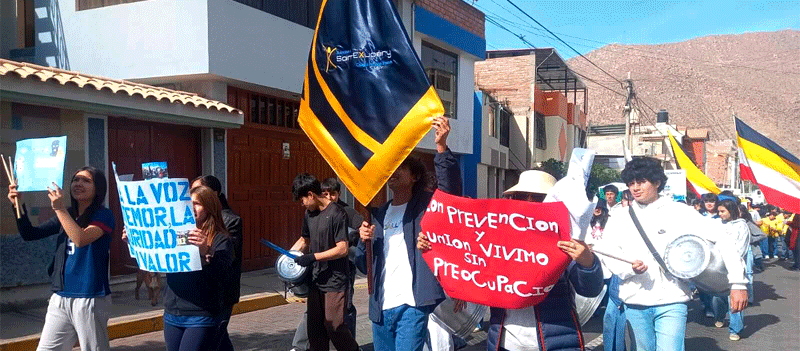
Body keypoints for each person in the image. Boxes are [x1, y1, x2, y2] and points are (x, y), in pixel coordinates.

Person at [595, 157, 748, 351]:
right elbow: (608, 251)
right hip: (634, 300)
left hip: (672, 299)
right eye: (631, 183)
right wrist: (628, 269)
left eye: (642, 182)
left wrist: (738, 283)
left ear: (657, 182)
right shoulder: (620, 217)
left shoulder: (679, 211)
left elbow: (723, 238)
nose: (636, 188)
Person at [446, 169, 604, 351]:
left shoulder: (567, 241)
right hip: (504, 343)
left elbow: (591, 290)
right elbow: (471, 267)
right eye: (522, 197)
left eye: (538, 197)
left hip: (554, 342)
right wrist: (433, 247)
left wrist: (587, 262)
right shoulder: (496, 240)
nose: (529, 203)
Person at [355, 116, 461, 351]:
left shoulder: (426, 208)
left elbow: (450, 194)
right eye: (391, 168)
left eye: (401, 167)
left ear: (414, 176)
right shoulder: (378, 215)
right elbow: (364, 266)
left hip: (412, 305)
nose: (394, 172)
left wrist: (442, 148)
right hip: (380, 309)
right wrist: (364, 242)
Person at [7, 167, 115, 351]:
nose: (78, 184)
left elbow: (80, 239)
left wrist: (59, 209)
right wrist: (18, 205)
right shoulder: (67, 213)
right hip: (61, 295)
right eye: (75, 179)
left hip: (89, 296)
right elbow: (30, 234)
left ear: (98, 188)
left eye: (86, 181)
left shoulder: (104, 215)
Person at [157, 186, 234, 351]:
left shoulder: (221, 239)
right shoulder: (173, 235)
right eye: (188, 203)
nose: (191, 207)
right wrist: (136, 242)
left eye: (197, 203)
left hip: (201, 314)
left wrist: (205, 252)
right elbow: (156, 258)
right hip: (173, 312)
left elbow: (222, 275)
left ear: (209, 208)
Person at [290, 178, 362, 351]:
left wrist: (313, 257)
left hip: (335, 280)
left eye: (303, 201)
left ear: (311, 194)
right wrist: (287, 260)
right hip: (316, 279)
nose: (302, 205)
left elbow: (343, 249)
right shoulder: (309, 214)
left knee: (334, 327)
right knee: (315, 330)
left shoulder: (337, 213)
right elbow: (304, 239)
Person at [191, 175, 242, 351]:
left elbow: (226, 260)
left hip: (222, 293)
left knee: (215, 338)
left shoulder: (230, 221)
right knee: (219, 341)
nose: (192, 204)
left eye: (199, 196)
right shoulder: (189, 225)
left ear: (212, 196)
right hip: (199, 292)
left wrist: (207, 249)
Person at [711, 199, 750, 341]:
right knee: (717, 297)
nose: (720, 214)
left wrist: (732, 261)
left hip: (735, 267)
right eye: (719, 211)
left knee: (734, 298)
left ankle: (735, 329)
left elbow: (742, 248)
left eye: (723, 211)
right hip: (717, 267)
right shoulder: (716, 224)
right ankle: (719, 316)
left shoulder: (741, 226)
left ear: (731, 210)